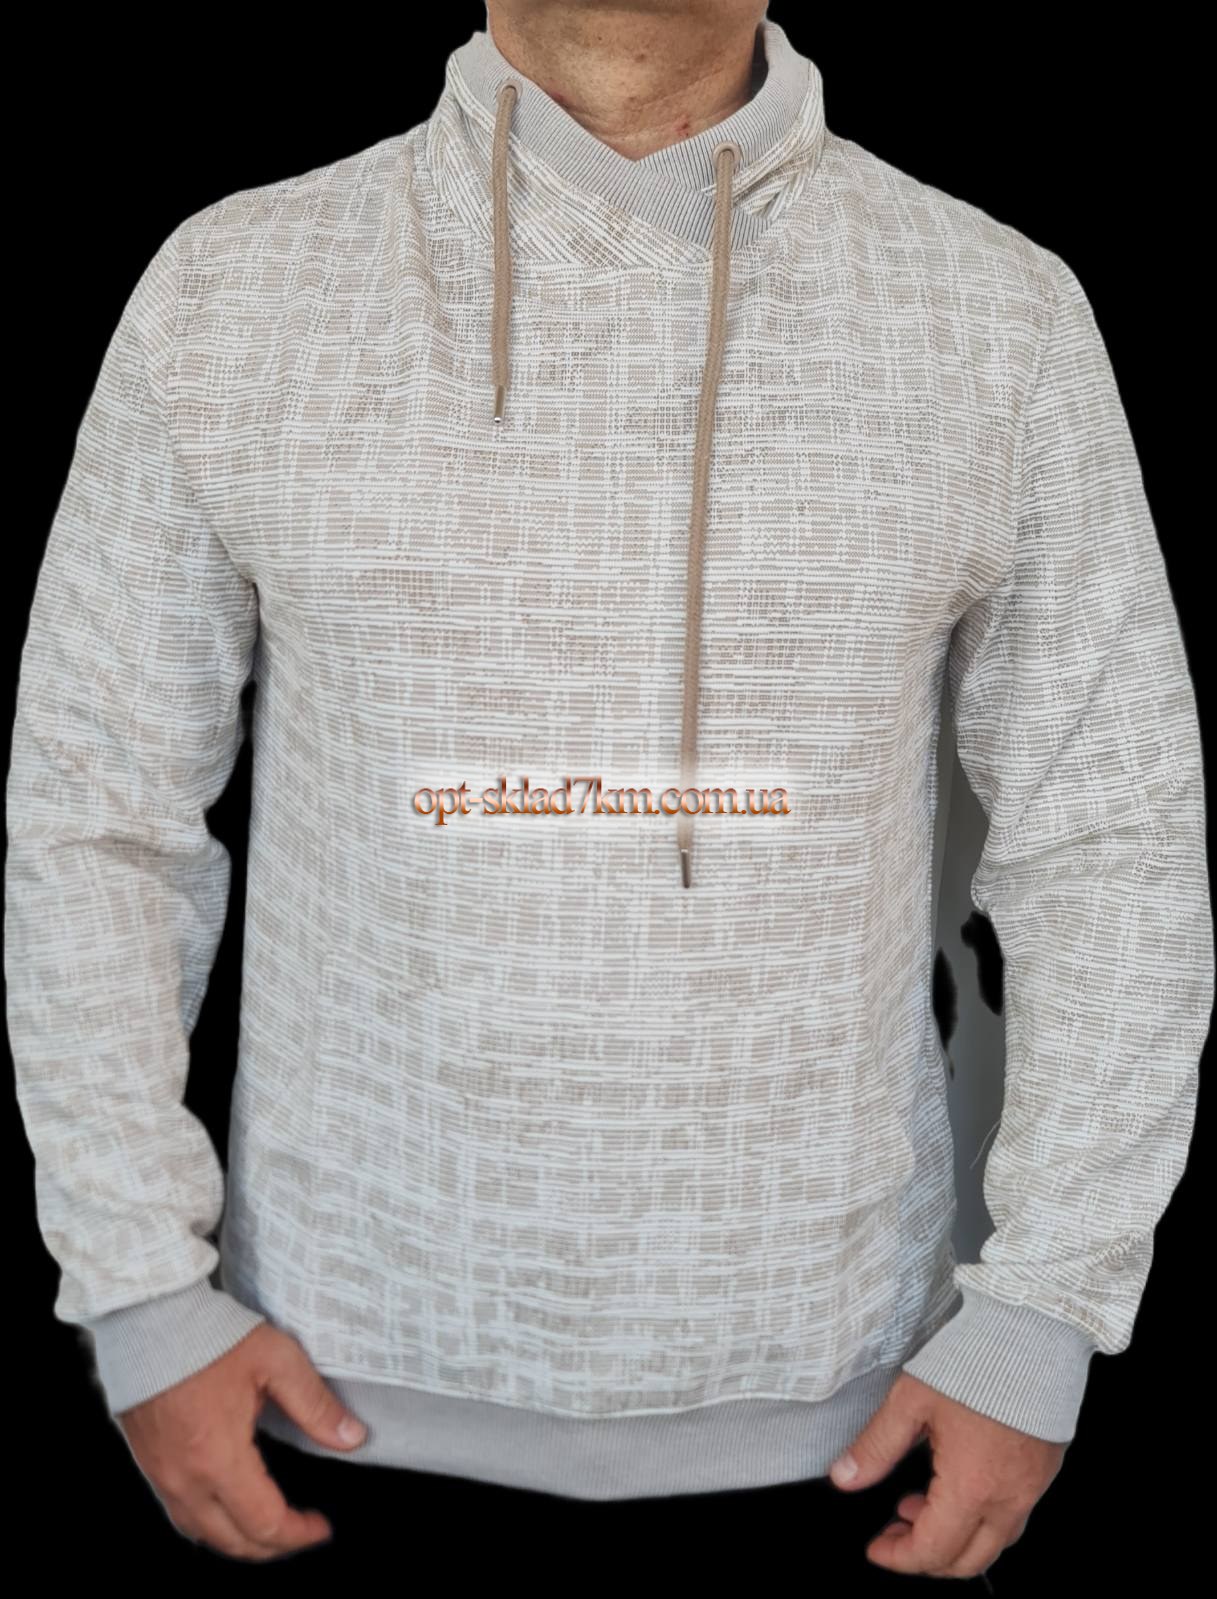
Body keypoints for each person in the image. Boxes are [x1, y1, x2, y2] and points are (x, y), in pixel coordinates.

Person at [6, 0, 1211, 1581]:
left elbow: (1105, 837)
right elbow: (101, 816)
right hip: (314, 1394)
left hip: (864, 1417)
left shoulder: (992, 312)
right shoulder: (236, 286)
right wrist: (141, 1293)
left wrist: (1044, 1312)